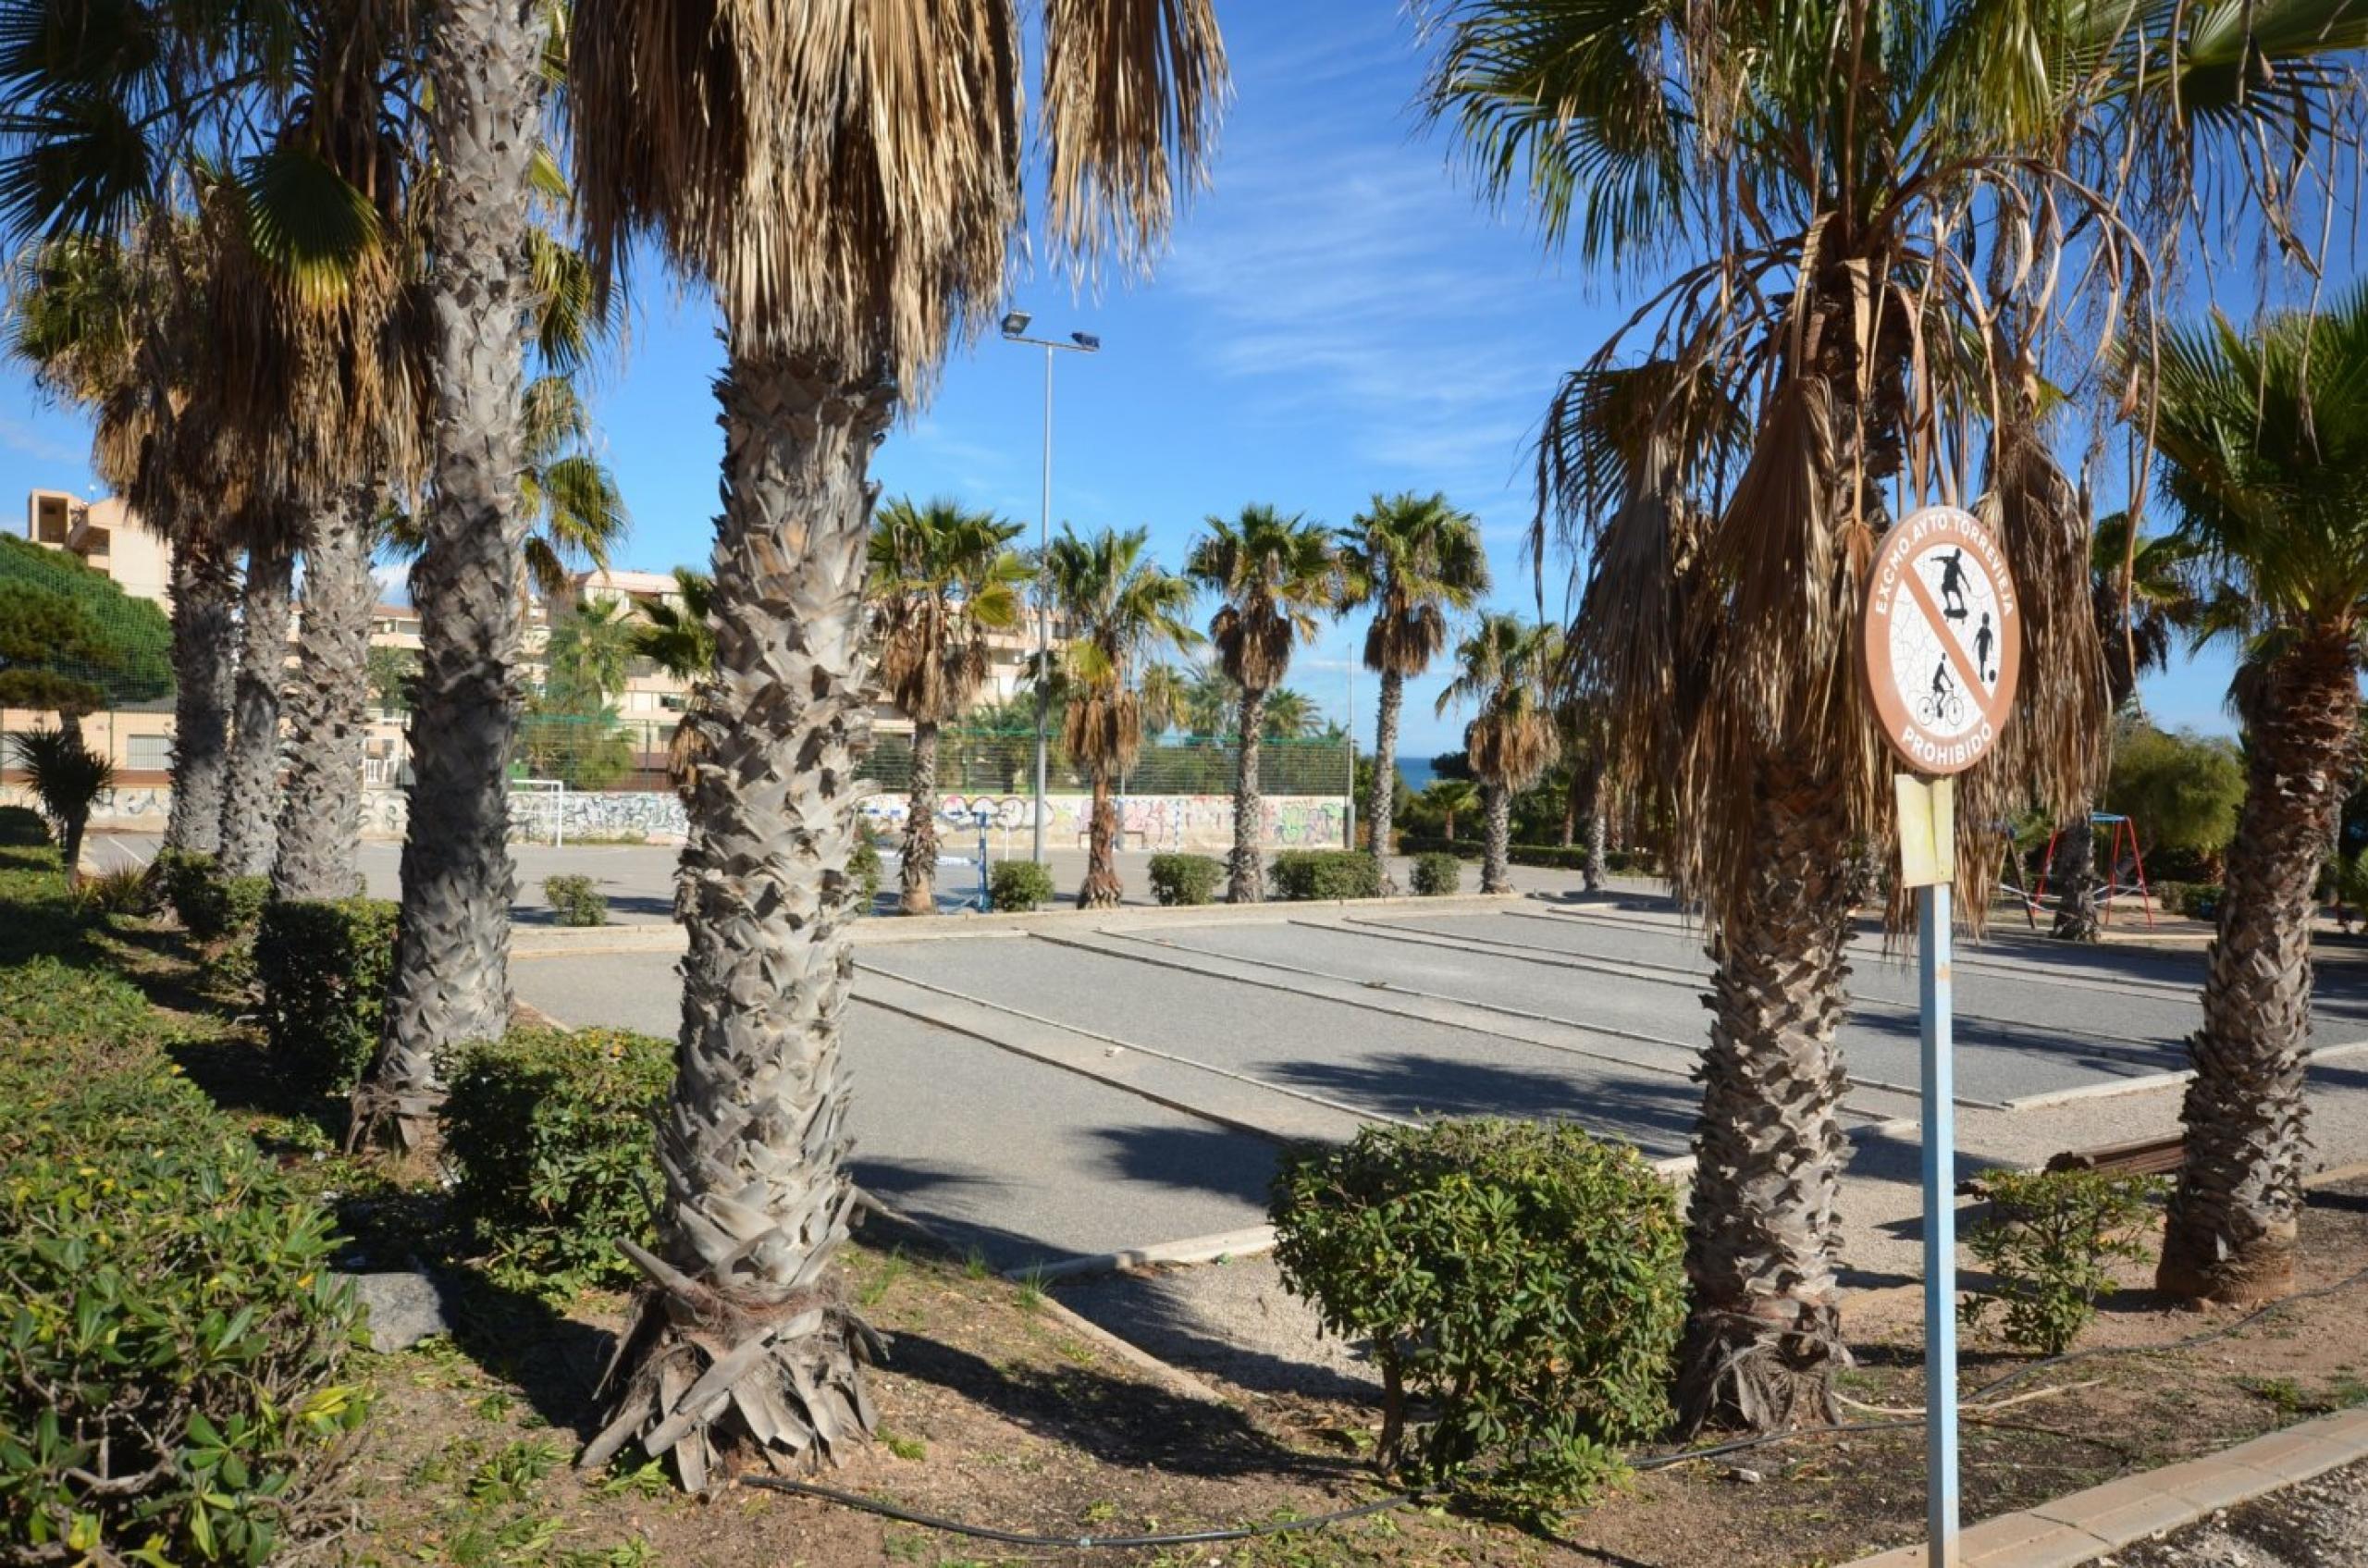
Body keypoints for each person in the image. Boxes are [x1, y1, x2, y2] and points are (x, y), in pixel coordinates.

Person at [1936, 548, 1969, 619]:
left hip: (1953, 584)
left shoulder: (1957, 565)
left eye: (1959, 556)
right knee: (1943, 588)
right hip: (1947, 583)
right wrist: (1935, 559)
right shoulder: (1949, 559)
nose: (1957, 557)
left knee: (1959, 593)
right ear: (1955, 554)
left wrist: (1967, 584)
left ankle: (1962, 605)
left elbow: (1962, 575)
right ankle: (1949, 604)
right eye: (1957, 555)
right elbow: (1942, 558)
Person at [1974, 611, 1995, 685]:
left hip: (1984, 647)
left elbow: (1991, 639)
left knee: (1982, 660)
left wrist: (1991, 646)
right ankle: (1981, 673)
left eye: (1986, 623)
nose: (1985, 625)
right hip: (1981, 647)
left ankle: (1981, 673)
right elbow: (1977, 637)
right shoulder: (1982, 630)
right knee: (1982, 660)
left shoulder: (1988, 631)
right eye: (1984, 623)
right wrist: (1974, 645)